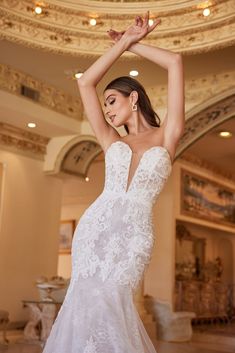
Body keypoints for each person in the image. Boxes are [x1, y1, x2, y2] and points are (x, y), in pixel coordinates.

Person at [43, 11, 184, 353]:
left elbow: (176, 62)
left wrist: (138, 44)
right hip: (95, 229)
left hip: (135, 235)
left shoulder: (167, 136)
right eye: (104, 105)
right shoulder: (111, 140)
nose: (106, 111)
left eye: (112, 101)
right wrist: (121, 44)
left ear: (133, 98)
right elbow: (84, 82)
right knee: (86, 302)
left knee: (114, 303)